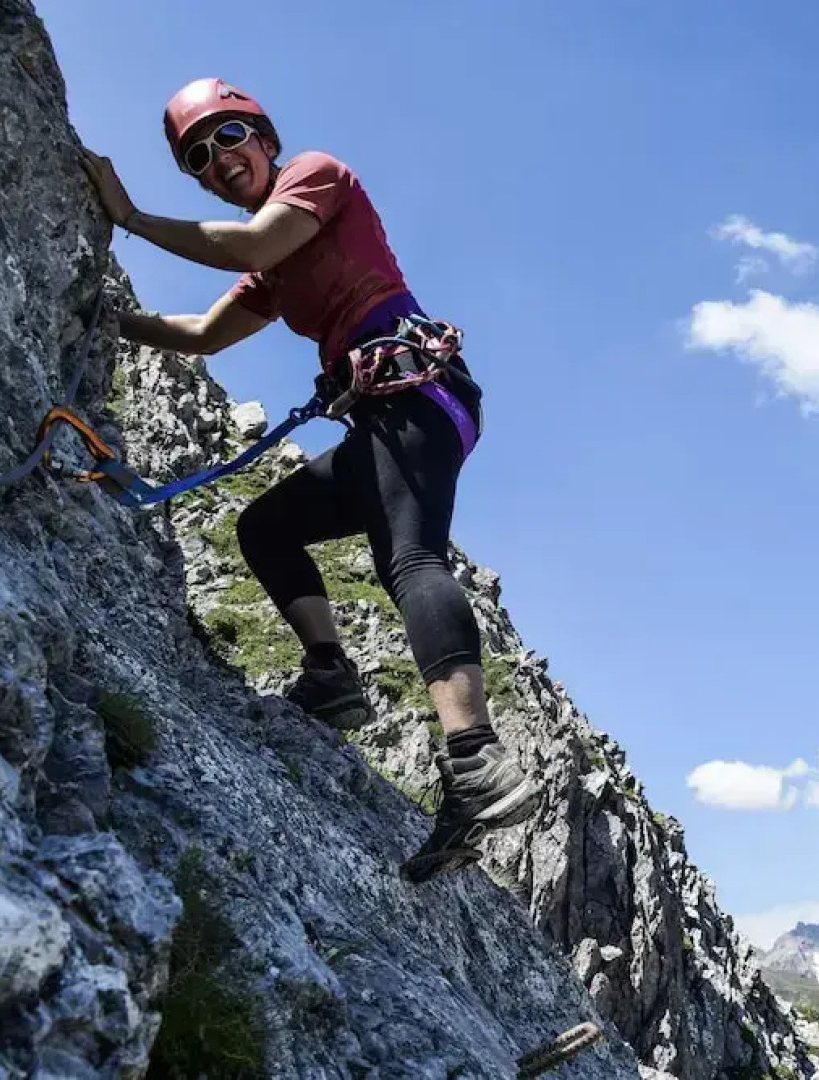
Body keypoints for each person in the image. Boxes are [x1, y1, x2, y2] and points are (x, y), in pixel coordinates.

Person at [78, 77, 539, 880]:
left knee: (410, 560)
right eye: (198, 156)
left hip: (416, 394)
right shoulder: (273, 271)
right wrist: (101, 313)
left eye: (228, 137)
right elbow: (202, 334)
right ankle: (330, 676)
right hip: (386, 417)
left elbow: (252, 244)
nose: (218, 159)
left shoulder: (316, 176)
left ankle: (474, 756)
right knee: (265, 527)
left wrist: (132, 218)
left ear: (263, 139)